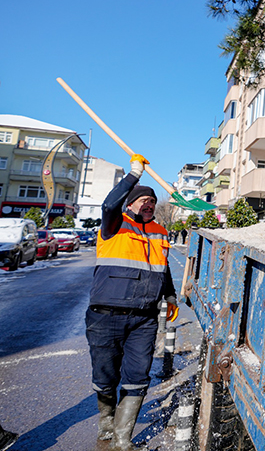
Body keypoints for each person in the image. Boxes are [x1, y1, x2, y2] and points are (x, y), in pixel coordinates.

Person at [85, 154, 178, 450]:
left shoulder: (161, 233)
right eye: (143, 200)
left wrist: (170, 295)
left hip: (144, 318)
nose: (149, 203)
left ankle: (123, 440)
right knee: (105, 375)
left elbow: (162, 270)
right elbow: (109, 205)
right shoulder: (114, 225)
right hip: (105, 315)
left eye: (152, 201)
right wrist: (133, 175)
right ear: (130, 203)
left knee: (138, 376)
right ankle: (107, 420)